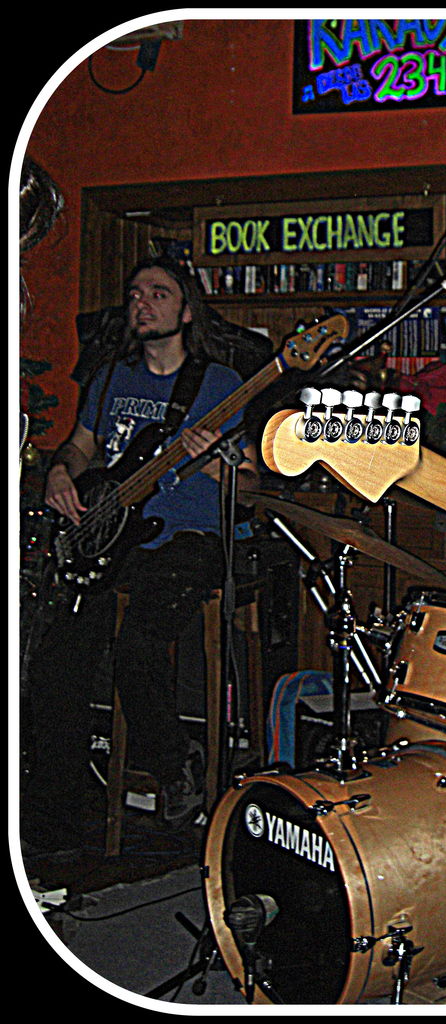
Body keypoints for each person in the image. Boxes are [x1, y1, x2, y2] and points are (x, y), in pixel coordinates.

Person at [21, 256, 259, 855]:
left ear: (187, 310)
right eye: (133, 294)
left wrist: (216, 461)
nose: (141, 304)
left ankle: (175, 763)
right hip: (114, 539)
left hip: (191, 540)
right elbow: (81, 447)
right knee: (59, 655)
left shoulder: (220, 384)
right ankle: (54, 817)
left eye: (157, 293)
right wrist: (59, 472)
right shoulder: (110, 378)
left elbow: (253, 480)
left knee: (140, 645)